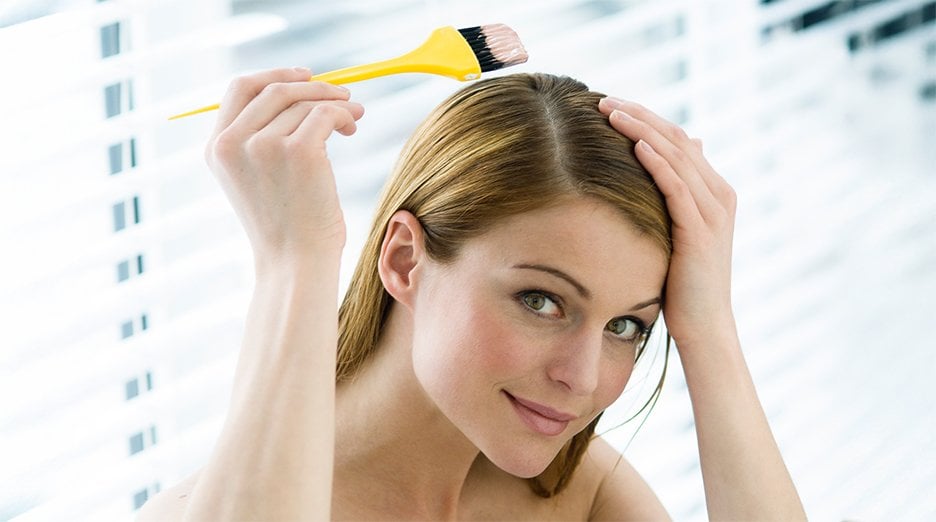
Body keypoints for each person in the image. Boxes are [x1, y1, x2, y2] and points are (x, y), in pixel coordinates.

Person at [139, 68, 805, 520]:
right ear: (405, 261)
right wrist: (296, 260)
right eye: (541, 301)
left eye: (626, 326)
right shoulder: (216, 510)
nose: (582, 379)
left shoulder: (574, 493)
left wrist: (709, 329)